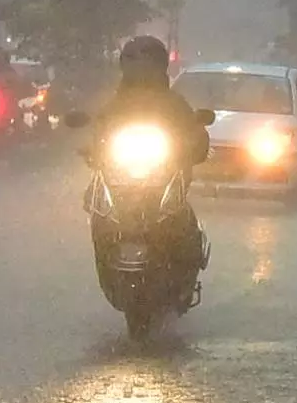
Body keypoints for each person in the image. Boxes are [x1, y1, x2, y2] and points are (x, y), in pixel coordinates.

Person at [88, 33, 212, 274]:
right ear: (124, 66)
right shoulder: (112, 105)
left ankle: (187, 267)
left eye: (146, 62)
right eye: (133, 62)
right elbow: (96, 133)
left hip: (166, 178)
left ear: (160, 66)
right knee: (97, 212)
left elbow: (196, 136)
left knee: (182, 219)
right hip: (119, 180)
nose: (140, 69)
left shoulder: (175, 103)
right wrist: (91, 149)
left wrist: (192, 144)